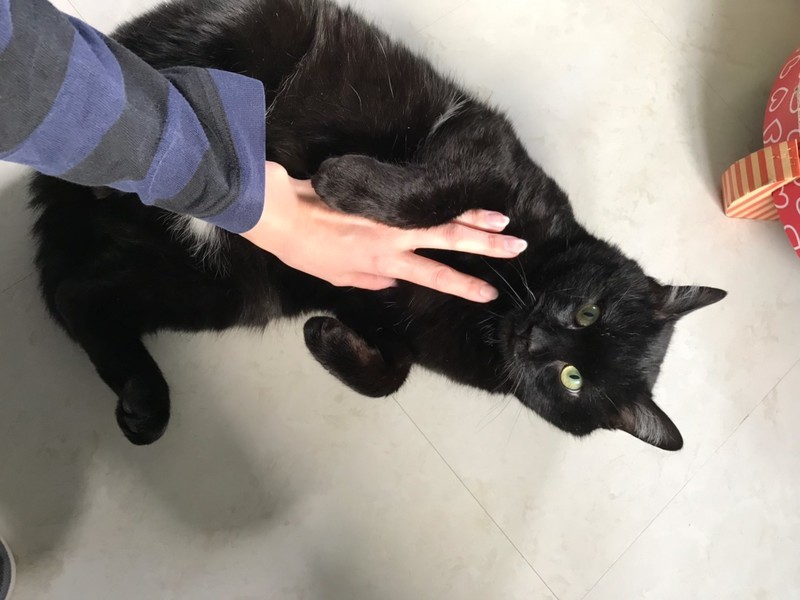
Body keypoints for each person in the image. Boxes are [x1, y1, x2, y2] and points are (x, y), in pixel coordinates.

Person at [0, 3, 527, 595]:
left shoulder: (501, 364)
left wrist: (382, 362)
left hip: (263, 213)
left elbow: (365, 302)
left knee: (243, 295)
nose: (546, 341)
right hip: (276, 76)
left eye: (566, 377)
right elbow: (482, 136)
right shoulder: (544, 237)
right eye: (590, 312)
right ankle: (122, 177)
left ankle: (101, 311)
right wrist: (398, 196)